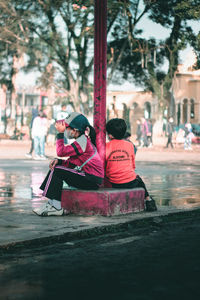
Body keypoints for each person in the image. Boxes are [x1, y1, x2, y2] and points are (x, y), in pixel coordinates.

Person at [33, 112, 104, 216]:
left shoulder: (83, 142)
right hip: (89, 178)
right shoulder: (82, 140)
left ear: (75, 130)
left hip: (91, 179)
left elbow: (61, 152)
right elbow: (72, 163)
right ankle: (52, 203)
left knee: (57, 171)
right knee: (56, 167)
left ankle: (56, 206)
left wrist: (60, 134)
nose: (65, 130)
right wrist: (59, 161)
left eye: (66, 128)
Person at [105, 118, 157, 212]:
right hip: (130, 182)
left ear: (109, 134)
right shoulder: (130, 145)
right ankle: (148, 200)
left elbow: (105, 166)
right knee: (139, 181)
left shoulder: (106, 146)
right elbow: (132, 165)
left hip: (113, 182)